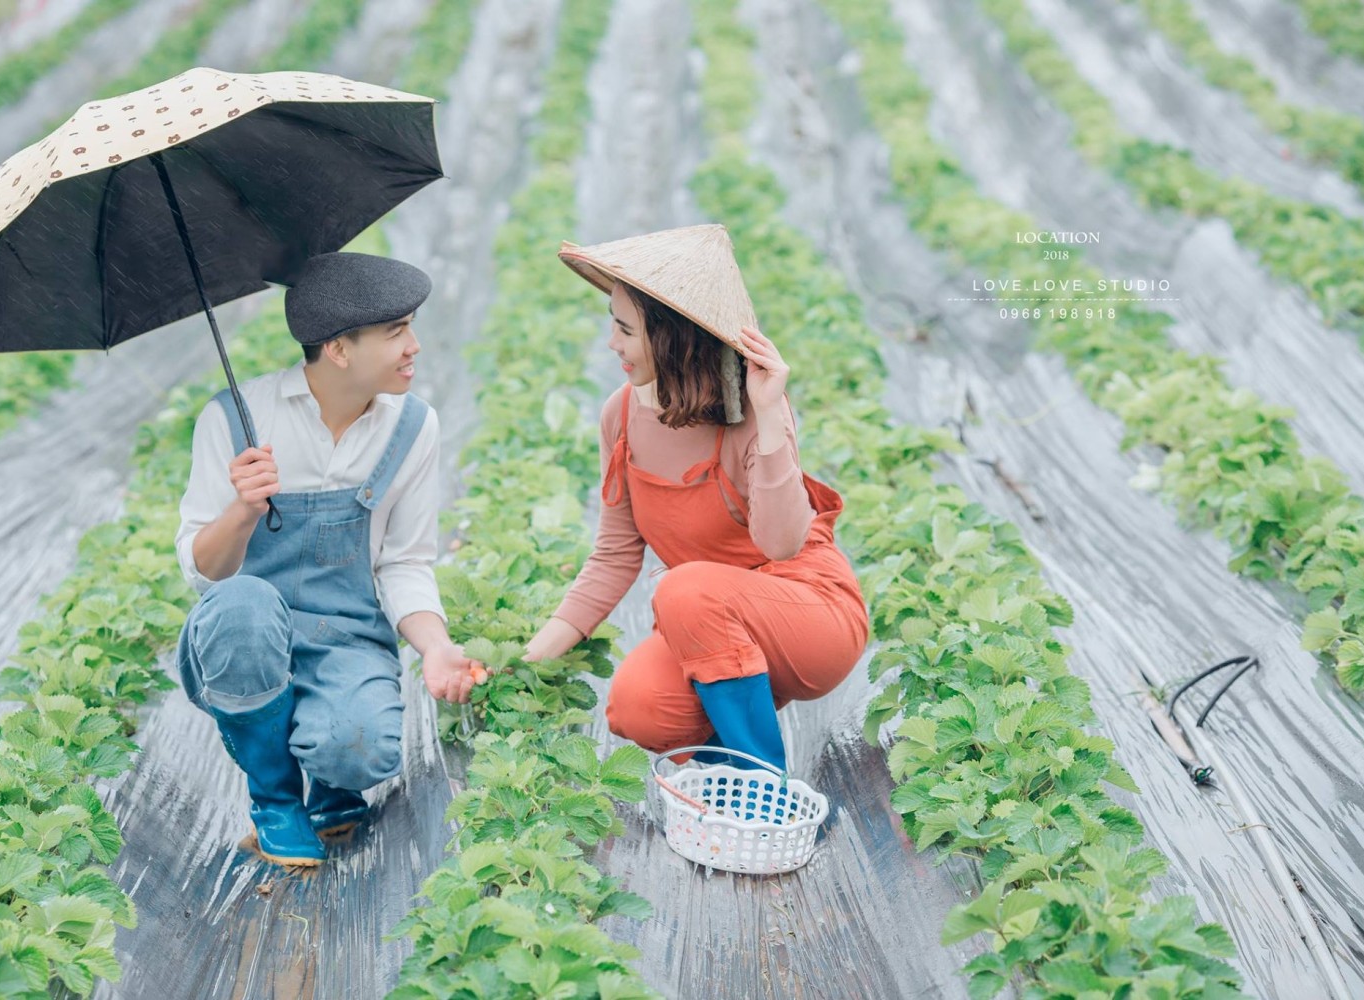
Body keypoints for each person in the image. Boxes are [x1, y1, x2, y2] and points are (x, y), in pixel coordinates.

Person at [174, 251, 484, 867]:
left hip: (345, 633)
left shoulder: (413, 427)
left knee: (361, 750)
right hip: (245, 636)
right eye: (396, 332)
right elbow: (202, 571)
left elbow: (405, 562)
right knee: (243, 603)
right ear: (338, 349)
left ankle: (332, 771)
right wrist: (241, 510)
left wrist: (436, 646)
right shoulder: (234, 419)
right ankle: (275, 799)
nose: (414, 346)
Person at [524, 225, 869, 776]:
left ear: (671, 338)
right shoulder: (621, 416)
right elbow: (614, 554)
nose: (611, 344)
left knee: (685, 587)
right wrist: (530, 656)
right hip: (709, 623)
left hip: (808, 614)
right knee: (636, 708)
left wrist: (773, 419)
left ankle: (763, 782)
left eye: (624, 330)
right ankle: (727, 758)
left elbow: (782, 544)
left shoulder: (753, 414)